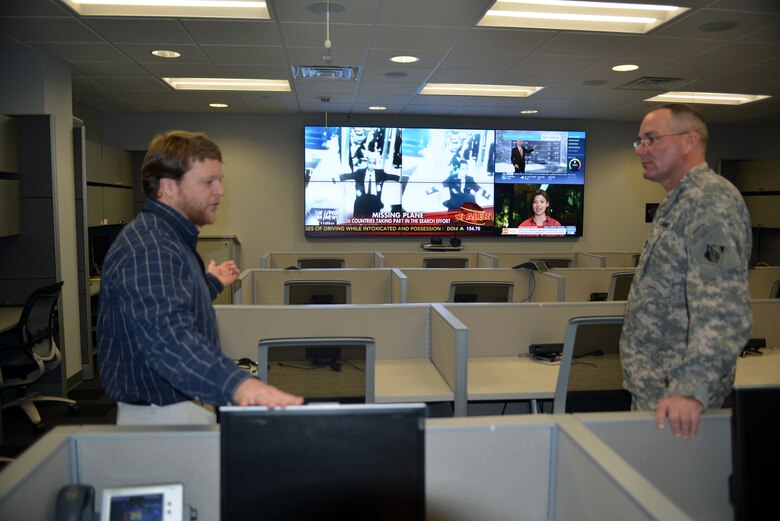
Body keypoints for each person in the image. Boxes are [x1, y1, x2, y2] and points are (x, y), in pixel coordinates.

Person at [97, 130, 303, 425]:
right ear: (168, 187)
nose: (220, 191)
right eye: (208, 182)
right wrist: (240, 385)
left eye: (220, 180)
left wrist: (210, 283)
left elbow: (168, 305)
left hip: (181, 403)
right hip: (163, 413)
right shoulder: (151, 248)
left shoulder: (167, 239)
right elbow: (169, 341)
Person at [620, 104, 751, 439]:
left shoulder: (710, 202)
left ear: (689, 141)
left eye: (651, 139)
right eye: (639, 141)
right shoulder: (677, 200)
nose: (640, 150)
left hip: (680, 405)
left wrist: (690, 389)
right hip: (656, 391)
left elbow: (723, 307)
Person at [340, 149, 400, 217]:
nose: (371, 165)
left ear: (375, 164)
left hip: (374, 201)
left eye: (373, 163)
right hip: (362, 199)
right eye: (370, 162)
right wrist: (339, 177)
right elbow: (348, 176)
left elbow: (390, 176)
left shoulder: (380, 173)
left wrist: (400, 178)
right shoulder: (360, 172)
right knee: (358, 218)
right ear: (367, 163)